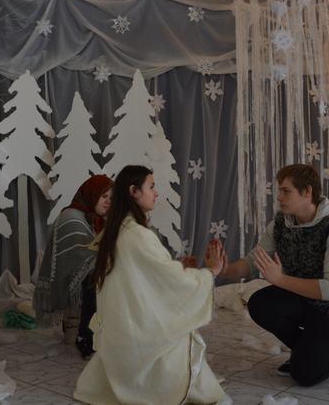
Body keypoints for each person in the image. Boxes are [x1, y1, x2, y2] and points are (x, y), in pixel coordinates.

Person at [74, 165, 230, 405]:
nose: (156, 193)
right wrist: (211, 272)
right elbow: (169, 281)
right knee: (183, 332)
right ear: (134, 191)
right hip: (135, 336)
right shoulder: (137, 234)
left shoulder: (117, 230)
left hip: (120, 333)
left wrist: (179, 267)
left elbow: (144, 276)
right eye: (152, 187)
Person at [219, 164, 329, 386]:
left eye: (286, 191)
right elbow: (253, 261)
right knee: (260, 303)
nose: (279, 197)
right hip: (306, 298)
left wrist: (279, 279)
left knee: (305, 375)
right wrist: (225, 269)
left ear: (307, 192)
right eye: (279, 190)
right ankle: (304, 350)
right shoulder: (281, 224)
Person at [34, 174, 113, 359]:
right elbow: (78, 255)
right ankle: (85, 337)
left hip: (83, 272)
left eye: (111, 198)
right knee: (97, 279)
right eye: (104, 196)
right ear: (92, 194)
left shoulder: (94, 217)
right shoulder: (71, 217)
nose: (108, 202)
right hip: (68, 277)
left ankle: (103, 333)